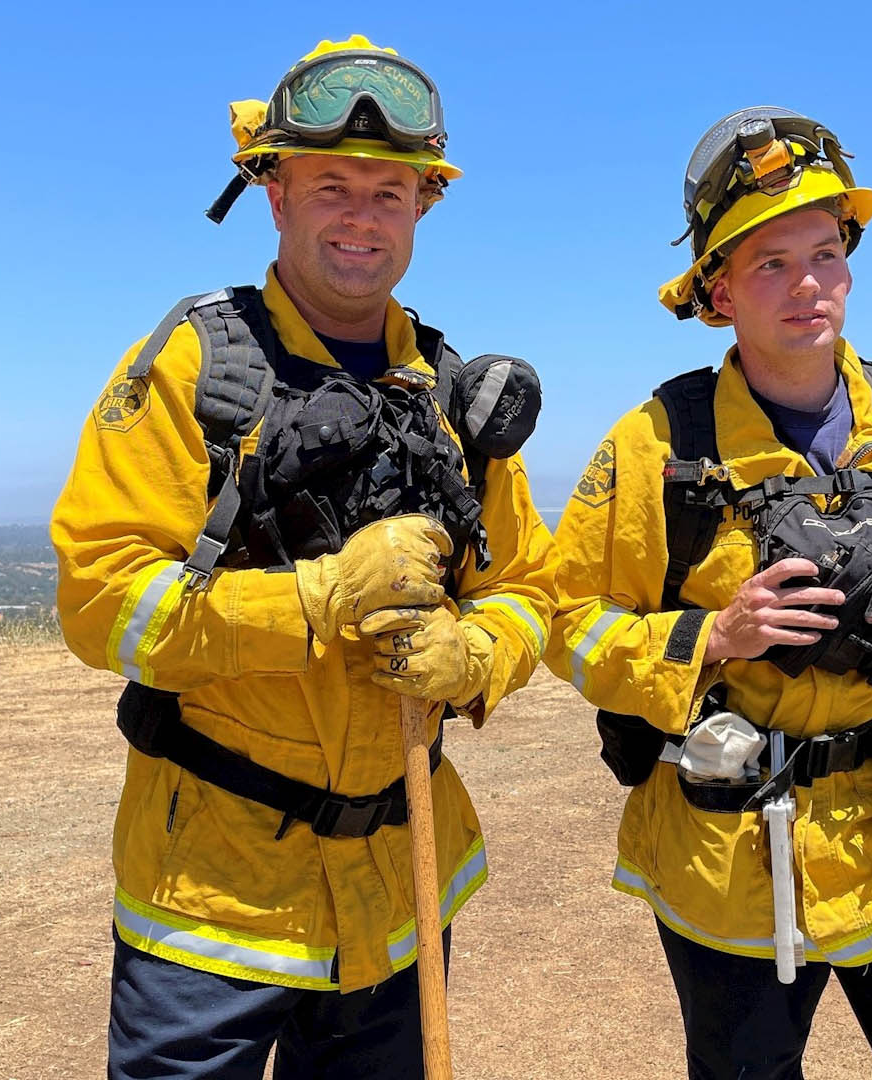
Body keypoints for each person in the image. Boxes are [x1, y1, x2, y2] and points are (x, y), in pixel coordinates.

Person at [50, 35, 554, 1079]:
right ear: (274, 196)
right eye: (330, 185)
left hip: (403, 893)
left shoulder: (450, 391)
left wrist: (480, 657)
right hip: (211, 904)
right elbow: (104, 607)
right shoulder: (197, 365)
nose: (361, 216)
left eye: (389, 190)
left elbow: (530, 589)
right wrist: (320, 598)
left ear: (425, 207)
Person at [546, 106, 872, 1079]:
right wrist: (709, 638)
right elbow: (566, 624)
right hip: (727, 858)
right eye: (770, 263)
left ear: (852, 265)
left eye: (825, 252)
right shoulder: (656, 447)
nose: (807, 284)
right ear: (719, 292)